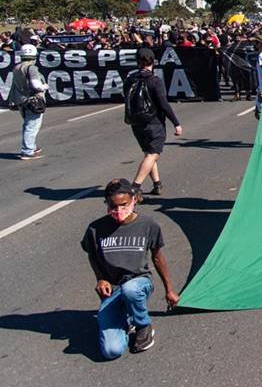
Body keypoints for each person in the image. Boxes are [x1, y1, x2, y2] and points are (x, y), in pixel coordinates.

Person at [81, 178, 180, 359]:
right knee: (112, 351)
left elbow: (158, 258)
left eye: (124, 205)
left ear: (134, 200)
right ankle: (126, 317)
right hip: (114, 290)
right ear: (106, 204)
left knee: (131, 290)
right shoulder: (95, 229)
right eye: (113, 206)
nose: (119, 211)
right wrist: (100, 278)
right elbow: (92, 255)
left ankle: (143, 325)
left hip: (139, 284)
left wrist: (170, 290)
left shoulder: (148, 225)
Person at [124, 48, 183, 196]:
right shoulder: (155, 81)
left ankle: (157, 184)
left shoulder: (130, 79)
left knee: (148, 153)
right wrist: (176, 123)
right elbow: (163, 104)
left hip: (136, 123)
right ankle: (135, 187)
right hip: (153, 122)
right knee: (152, 155)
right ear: (153, 61)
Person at [11, 43, 48, 160]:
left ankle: (31, 146)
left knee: (28, 124)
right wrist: (44, 86)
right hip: (32, 100)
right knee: (32, 126)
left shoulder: (17, 67)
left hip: (21, 100)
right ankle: (28, 151)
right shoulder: (31, 68)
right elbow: (36, 85)